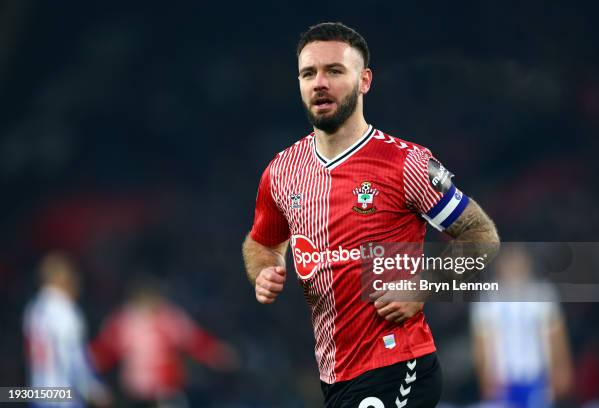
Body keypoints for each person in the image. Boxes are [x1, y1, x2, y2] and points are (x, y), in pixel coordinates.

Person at [242, 22, 499, 407]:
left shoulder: (407, 163)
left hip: (399, 363)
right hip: (335, 376)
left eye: (334, 71)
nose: (319, 83)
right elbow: (261, 243)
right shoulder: (281, 172)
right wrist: (263, 269)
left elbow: (481, 236)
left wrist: (425, 284)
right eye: (308, 73)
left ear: (364, 81)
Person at [89, 282, 239, 407]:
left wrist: (217, 354)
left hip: (165, 391)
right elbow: (104, 350)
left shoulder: (168, 318)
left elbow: (194, 340)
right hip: (135, 394)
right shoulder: (124, 322)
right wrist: (85, 364)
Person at [471, 245, 572, 408]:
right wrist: (484, 377)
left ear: (527, 264)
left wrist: (562, 368)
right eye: (508, 262)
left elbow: (556, 335)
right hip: (502, 378)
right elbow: (481, 341)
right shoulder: (488, 297)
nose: (513, 267)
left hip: (537, 374)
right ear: (499, 266)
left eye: (517, 261)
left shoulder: (542, 293)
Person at [23, 252, 111, 408]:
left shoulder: (34, 309)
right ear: (62, 279)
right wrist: (94, 389)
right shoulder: (65, 310)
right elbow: (73, 355)